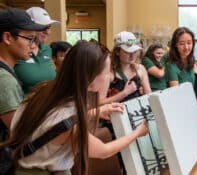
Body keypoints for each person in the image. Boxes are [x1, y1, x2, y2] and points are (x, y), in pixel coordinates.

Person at [0, 41, 148, 174]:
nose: (109, 77)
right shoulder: (71, 119)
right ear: (91, 76)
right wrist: (137, 132)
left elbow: (52, 124)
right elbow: (103, 151)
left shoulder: (43, 90)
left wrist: (96, 111)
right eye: (107, 72)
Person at [0, 8, 47, 141]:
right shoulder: (4, 80)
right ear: (8, 38)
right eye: (30, 39)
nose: (33, 46)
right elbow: (20, 131)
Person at [14, 6, 60, 94]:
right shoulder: (18, 51)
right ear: (29, 27)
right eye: (42, 27)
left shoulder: (47, 50)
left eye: (49, 27)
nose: (48, 32)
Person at [99, 31, 151, 105]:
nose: (132, 56)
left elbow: (148, 96)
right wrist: (124, 93)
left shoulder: (140, 69)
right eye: (127, 52)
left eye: (135, 51)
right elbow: (100, 103)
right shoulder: (109, 73)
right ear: (117, 52)